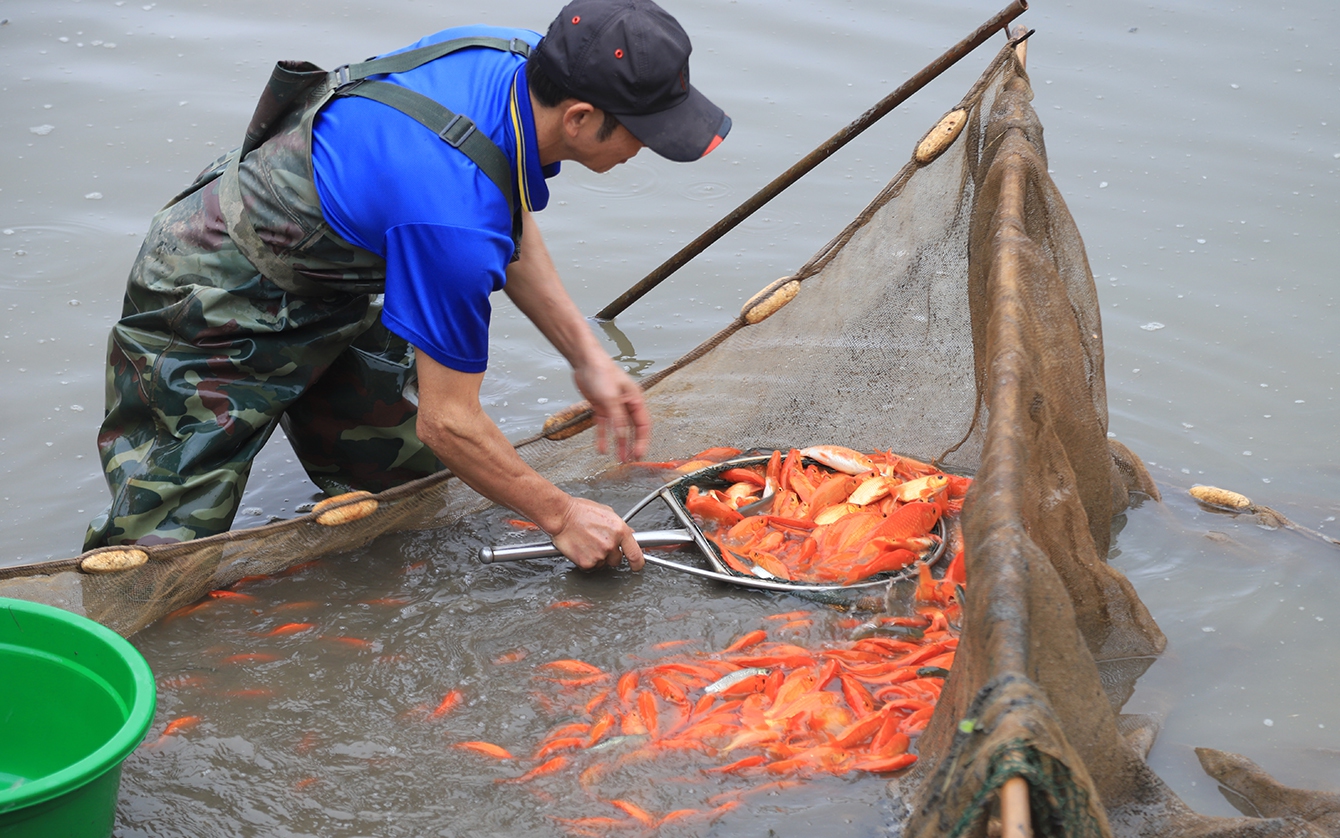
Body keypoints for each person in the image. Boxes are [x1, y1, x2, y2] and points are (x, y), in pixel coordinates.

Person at [83, 0, 731, 571]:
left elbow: (505, 218)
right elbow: (449, 423)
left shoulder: (515, 64)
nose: (642, 151)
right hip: (212, 289)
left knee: (404, 493)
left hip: (334, 272)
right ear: (582, 118)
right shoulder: (451, 218)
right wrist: (561, 515)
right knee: (156, 559)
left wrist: (588, 358)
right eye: (643, 134)